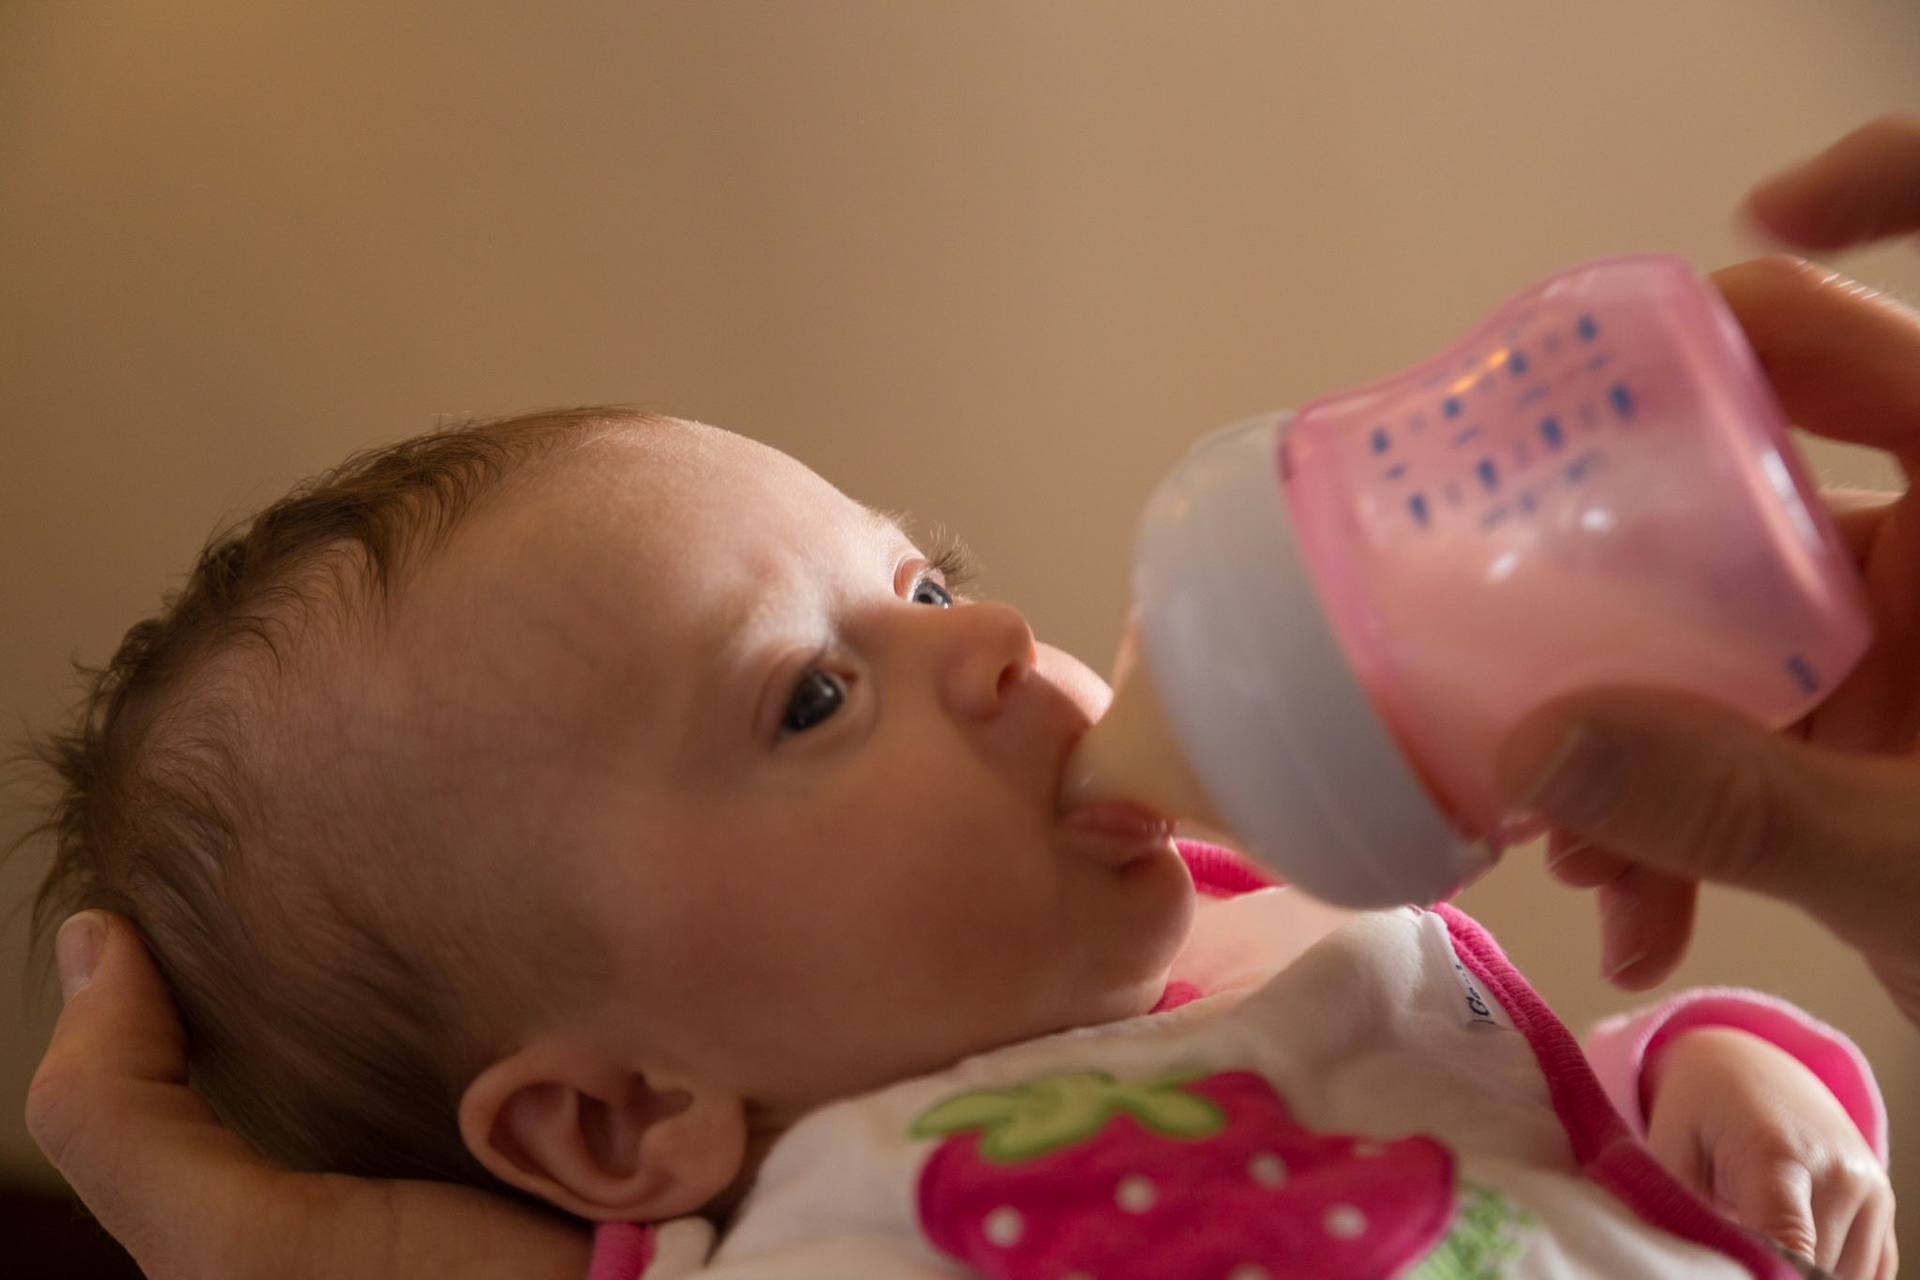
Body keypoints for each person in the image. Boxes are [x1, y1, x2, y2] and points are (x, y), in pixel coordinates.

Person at [22, 113, 1919, 1279]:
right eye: (813, 698)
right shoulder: (794, 1244)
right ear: (622, 1118)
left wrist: (1726, 1075)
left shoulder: (1294, 937)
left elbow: (1558, 1103)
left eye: (921, 577)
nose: (992, 636)